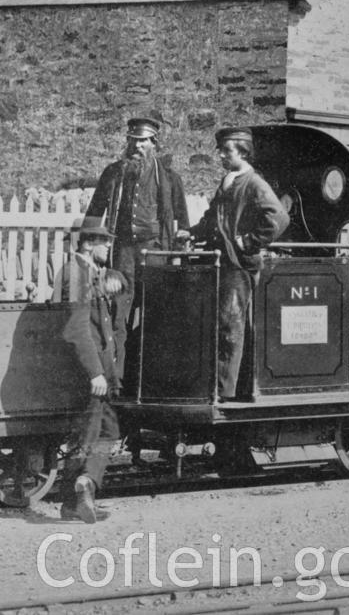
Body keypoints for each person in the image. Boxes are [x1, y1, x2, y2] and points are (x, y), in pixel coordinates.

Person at [84, 117, 189, 372]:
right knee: (119, 312)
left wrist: (177, 252)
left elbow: (182, 221)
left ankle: (151, 373)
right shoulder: (113, 173)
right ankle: (117, 377)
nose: (137, 146)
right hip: (123, 253)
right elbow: (94, 213)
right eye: (133, 140)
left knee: (156, 312)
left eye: (143, 141)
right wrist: (91, 247)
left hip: (155, 252)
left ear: (154, 143)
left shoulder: (169, 178)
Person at [189, 128, 287, 401]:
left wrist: (250, 241)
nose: (220, 154)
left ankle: (226, 391)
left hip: (239, 265)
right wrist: (193, 232)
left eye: (226, 150)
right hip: (221, 262)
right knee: (220, 324)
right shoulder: (227, 181)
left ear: (242, 152)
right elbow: (212, 219)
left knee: (229, 325)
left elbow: (278, 218)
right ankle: (223, 385)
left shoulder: (254, 183)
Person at [58, 217, 124, 524]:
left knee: (102, 431)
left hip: (99, 370)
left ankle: (74, 500)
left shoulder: (88, 271)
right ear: (87, 243)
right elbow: (76, 329)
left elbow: (119, 280)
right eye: (104, 241)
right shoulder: (78, 274)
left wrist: (116, 278)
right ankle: (84, 486)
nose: (110, 245)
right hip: (90, 373)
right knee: (93, 433)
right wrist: (95, 372)